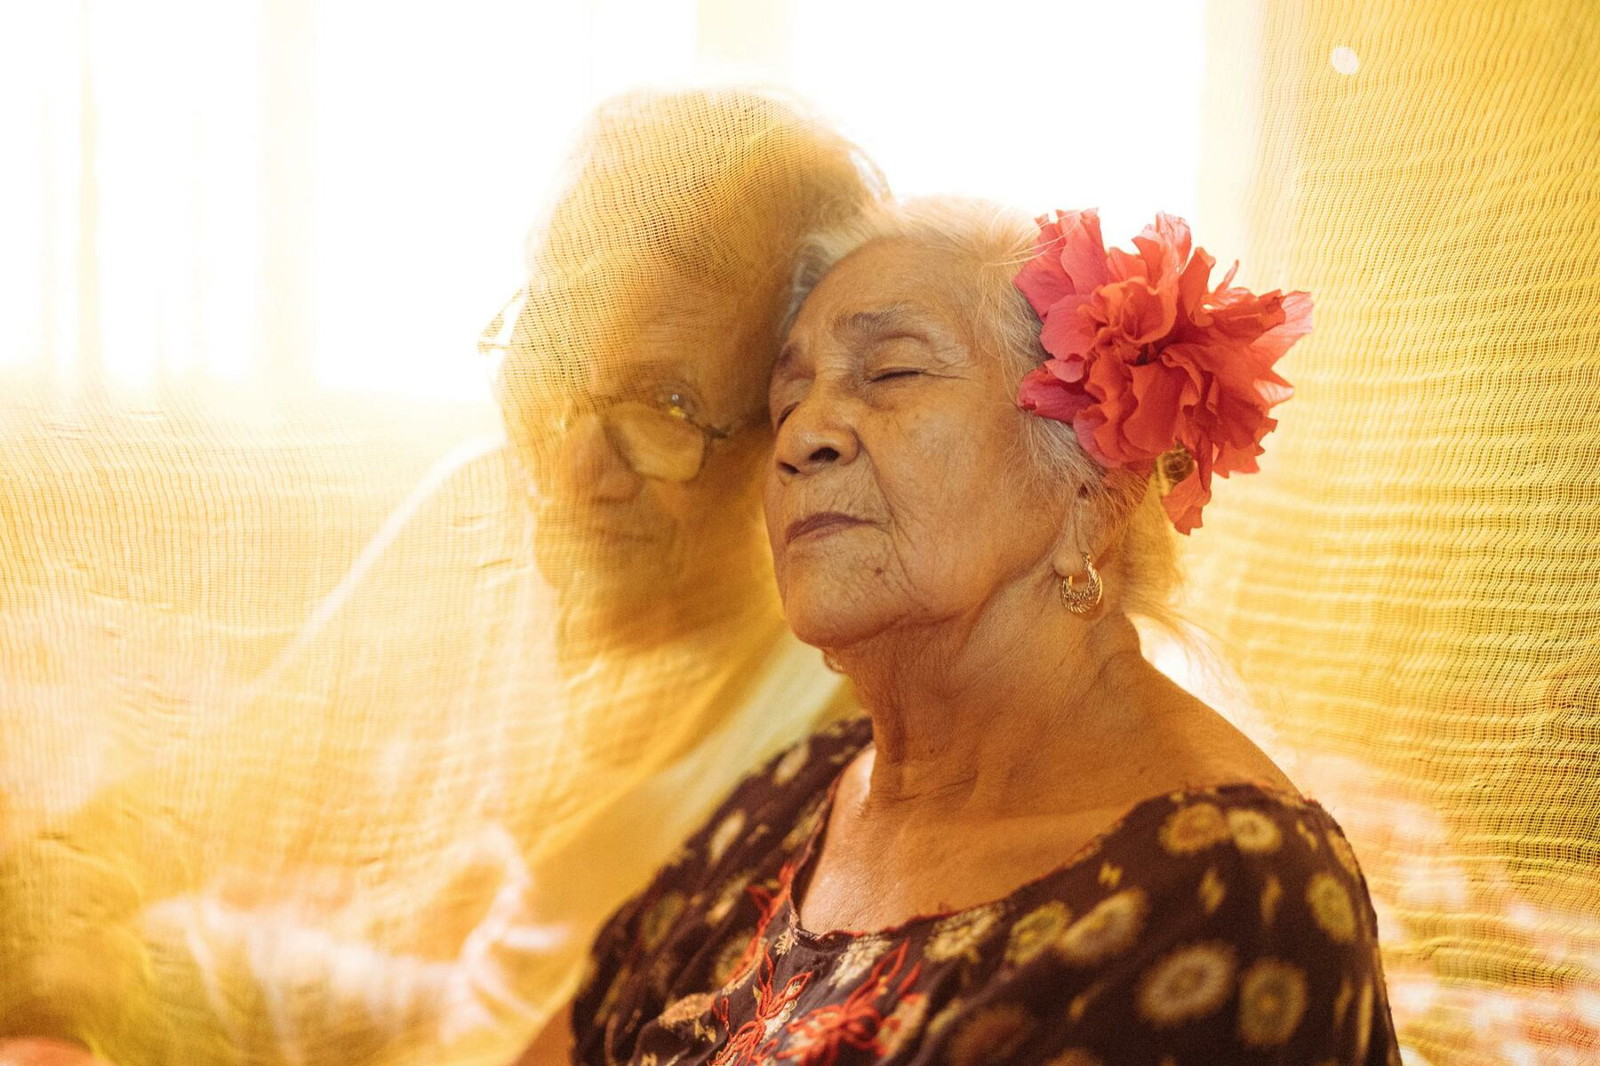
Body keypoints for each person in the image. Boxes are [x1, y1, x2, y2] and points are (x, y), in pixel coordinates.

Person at [0, 88, 883, 1066]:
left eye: (666, 405)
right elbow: (233, 778)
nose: (573, 466)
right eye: (550, 358)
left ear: (790, 431)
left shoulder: (843, 707)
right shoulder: (488, 517)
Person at [514, 198, 1401, 1064]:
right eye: (788, 400)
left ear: (1091, 492)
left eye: (891, 373)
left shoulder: (1225, 893)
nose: (803, 437)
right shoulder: (797, 796)